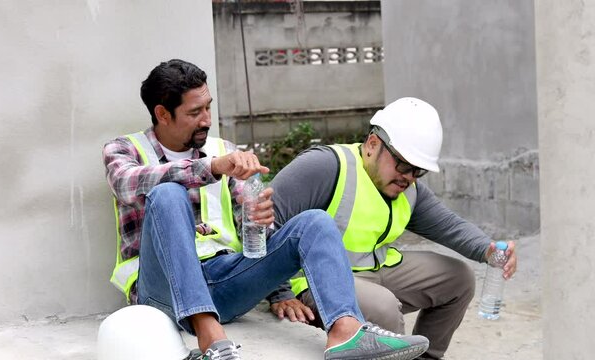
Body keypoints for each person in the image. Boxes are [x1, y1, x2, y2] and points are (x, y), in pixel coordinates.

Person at [102, 59, 430, 360]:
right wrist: (212, 167)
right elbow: (127, 183)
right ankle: (210, 338)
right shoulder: (124, 149)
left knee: (313, 222)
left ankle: (346, 333)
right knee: (168, 194)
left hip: (224, 281)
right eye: (194, 112)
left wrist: (260, 223)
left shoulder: (222, 149)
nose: (206, 119)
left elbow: (255, 230)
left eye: (208, 107)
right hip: (162, 293)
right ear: (162, 114)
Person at [269, 97, 518, 360]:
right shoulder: (325, 167)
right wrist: (279, 292)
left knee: (459, 278)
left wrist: (488, 250)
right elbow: (265, 221)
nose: (409, 177)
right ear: (373, 144)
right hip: (318, 282)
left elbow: (450, 226)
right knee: (384, 307)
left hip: (373, 270)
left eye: (418, 171)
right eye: (403, 165)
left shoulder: (408, 188)